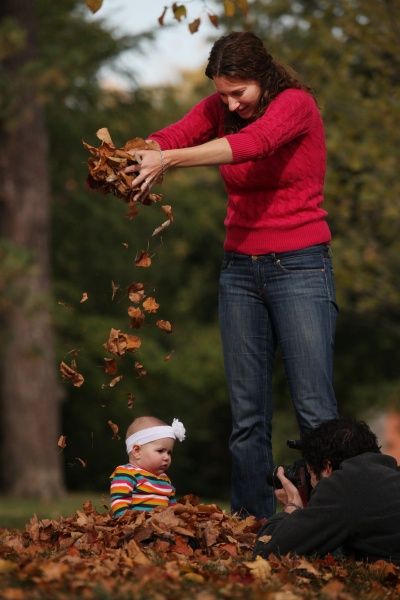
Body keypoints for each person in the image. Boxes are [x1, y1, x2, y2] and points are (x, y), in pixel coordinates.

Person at [125, 31, 339, 519]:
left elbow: (252, 145)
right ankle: (251, 525)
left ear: (262, 77)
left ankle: (332, 525)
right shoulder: (218, 108)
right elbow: (176, 134)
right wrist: (143, 152)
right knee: (247, 417)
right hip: (239, 271)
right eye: (222, 92)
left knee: (316, 412)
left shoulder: (296, 104)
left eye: (238, 92)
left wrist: (170, 160)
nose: (230, 102)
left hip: (300, 266)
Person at [254, 418, 400, 563]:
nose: (311, 483)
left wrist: (292, 506)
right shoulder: (389, 475)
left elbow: (268, 552)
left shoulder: (343, 485)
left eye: (310, 473)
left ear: (327, 467)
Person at [110, 416, 186, 516]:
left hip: (161, 526)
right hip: (135, 526)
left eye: (169, 452)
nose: (167, 457)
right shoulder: (127, 474)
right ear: (137, 451)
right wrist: (127, 521)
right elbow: (119, 502)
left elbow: (172, 507)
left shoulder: (165, 480)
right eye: (160, 451)